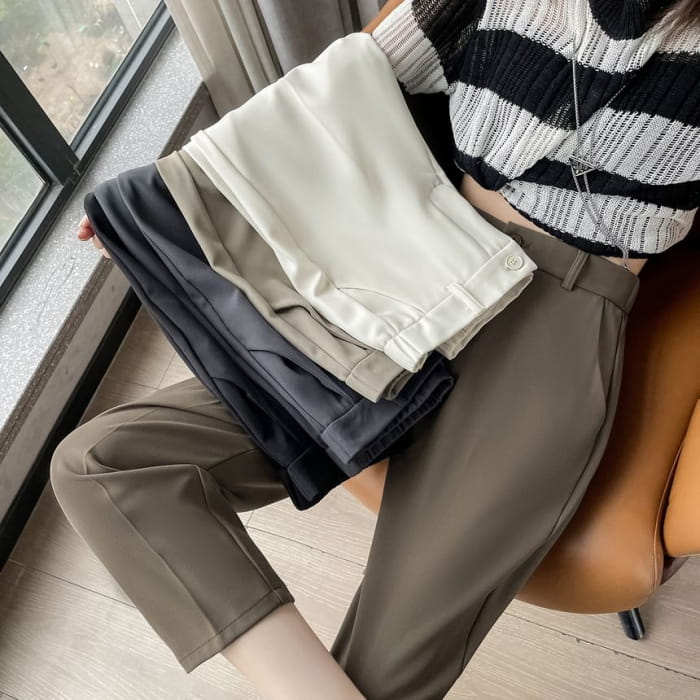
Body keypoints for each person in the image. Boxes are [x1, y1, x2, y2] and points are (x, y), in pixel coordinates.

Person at [51, 1, 699, 698]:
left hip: (554, 328)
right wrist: (170, 200)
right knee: (100, 465)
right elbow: (342, 91)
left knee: (383, 677)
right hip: (404, 278)